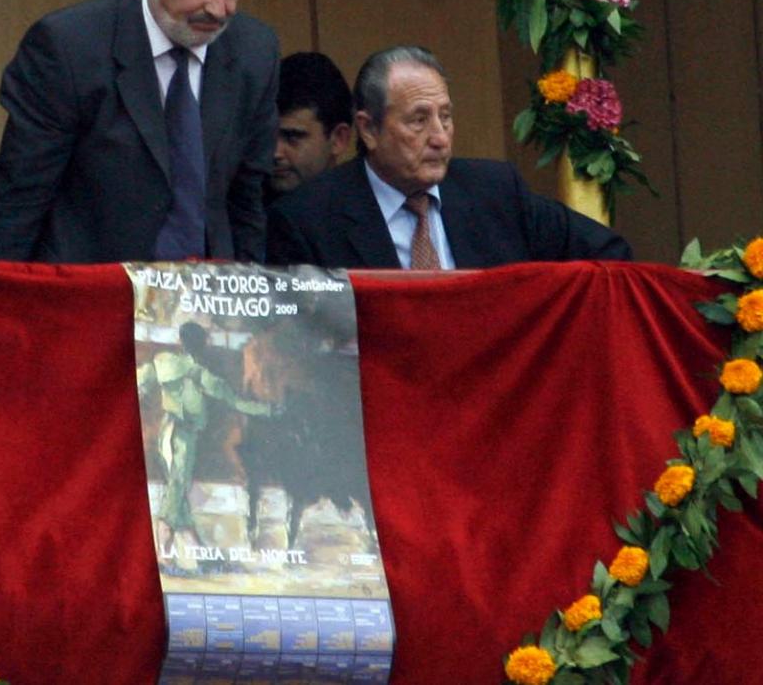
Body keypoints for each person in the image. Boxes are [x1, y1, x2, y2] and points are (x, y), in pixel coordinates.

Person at [0, 0, 279, 263]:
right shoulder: (70, 48)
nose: (218, 8)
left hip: (208, 298)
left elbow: (247, 199)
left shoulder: (254, 52)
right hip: (93, 292)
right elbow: (18, 198)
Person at [266, 45, 632, 268]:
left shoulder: (496, 191)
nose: (439, 138)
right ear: (368, 129)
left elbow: (610, 256)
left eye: (446, 116)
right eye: (418, 120)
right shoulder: (308, 219)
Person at [137, 322, 276, 552]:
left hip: (166, 433)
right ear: (201, 346)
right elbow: (236, 402)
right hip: (183, 437)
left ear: (182, 342)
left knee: (178, 493)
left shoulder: (163, 363)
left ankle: (195, 551)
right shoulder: (202, 376)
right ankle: (163, 553)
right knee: (176, 492)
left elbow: (140, 379)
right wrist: (269, 411)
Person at [268, 52, 353, 201]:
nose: (275, 153)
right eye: (267, 136)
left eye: (292, 137)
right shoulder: (238, 212)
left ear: (338, 139)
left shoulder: (369, 212)